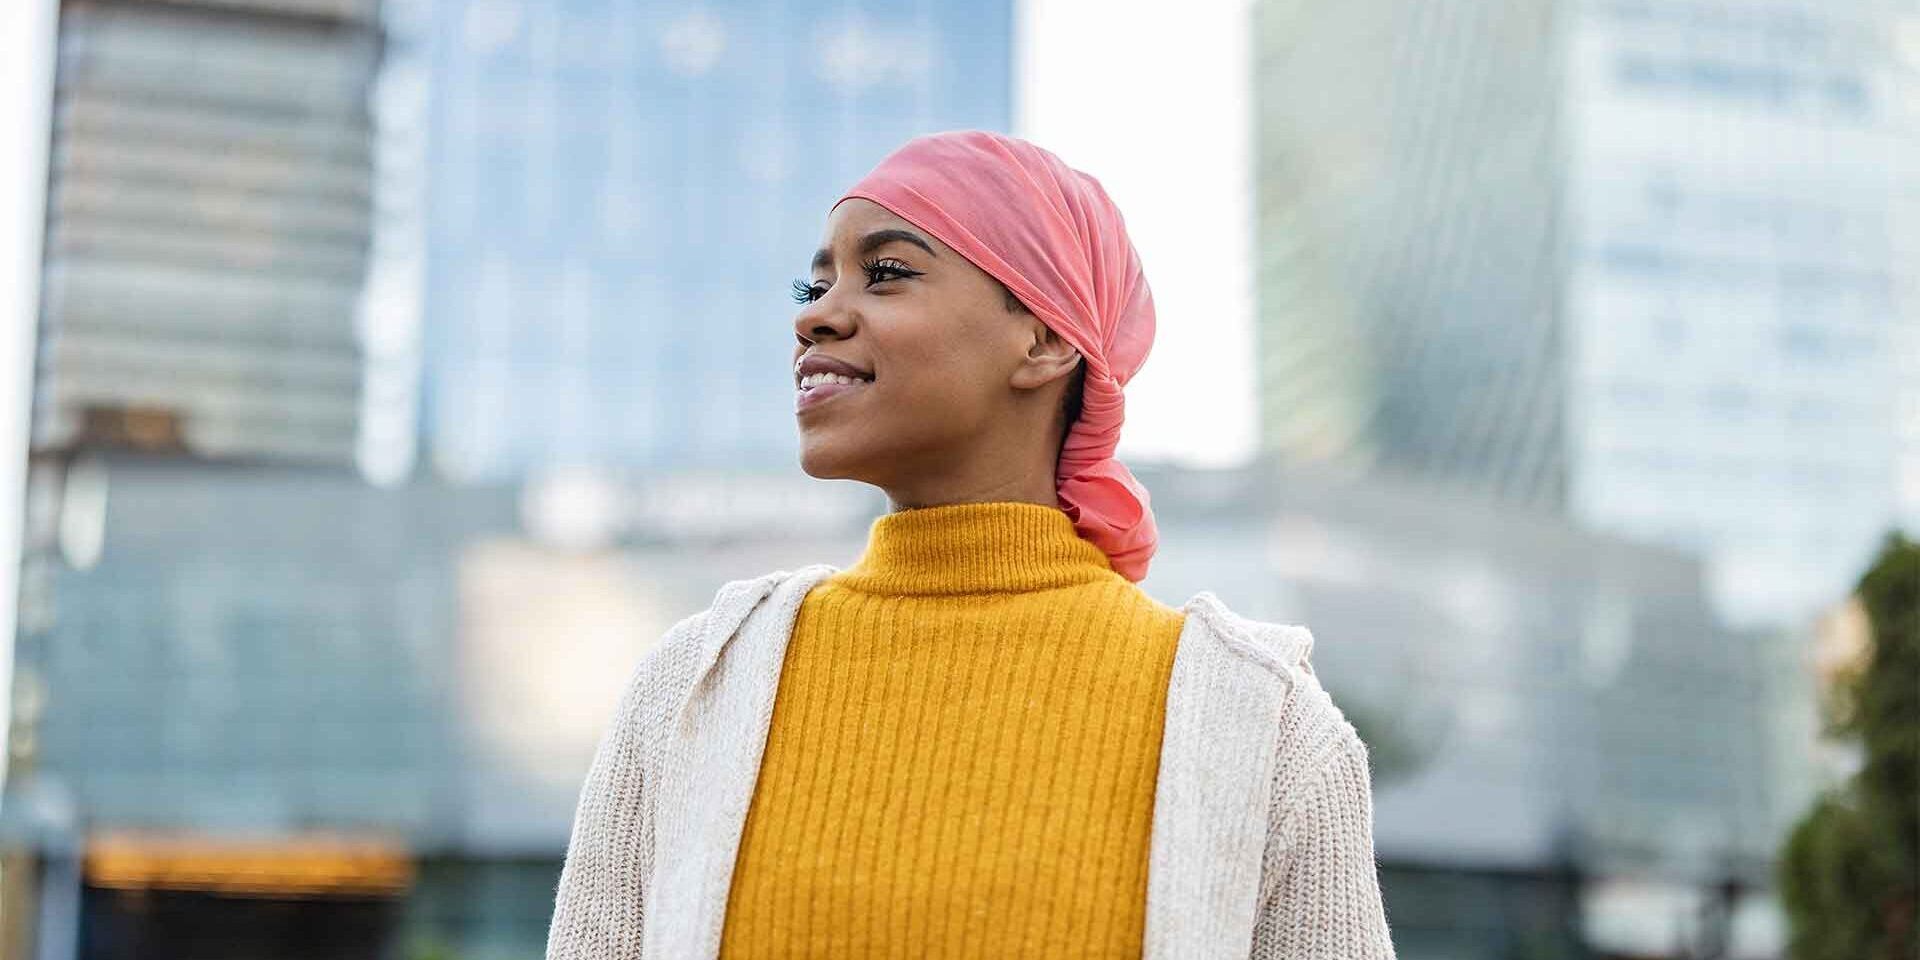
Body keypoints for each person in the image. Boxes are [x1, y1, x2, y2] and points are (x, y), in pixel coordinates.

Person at [543, 130, 1395, 959]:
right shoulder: (695, 685)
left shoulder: (1262, 722)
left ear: (1049, 338)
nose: (817, 320)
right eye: (815, 288)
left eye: (887, 273)